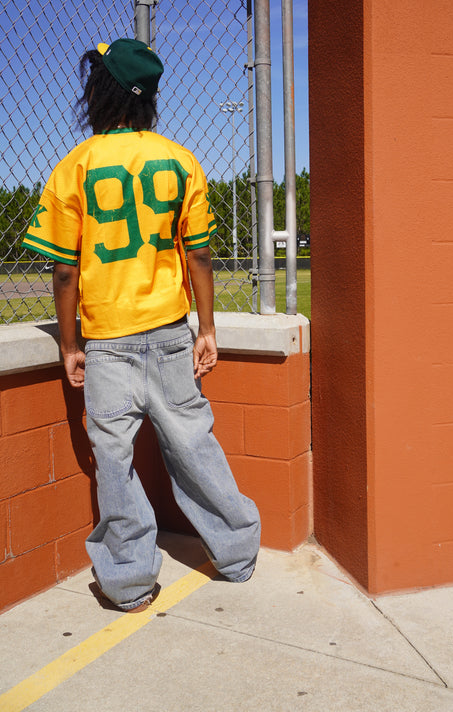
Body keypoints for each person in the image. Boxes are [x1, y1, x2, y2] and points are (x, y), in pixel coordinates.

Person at [23, 38, 261, 612]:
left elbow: (64, 270)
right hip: (172, 331)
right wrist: (207, 328)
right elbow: (199, 256)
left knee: (113, 459)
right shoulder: (181, 159)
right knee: (194, 444)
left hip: (107, 342)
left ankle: (128, 582)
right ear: (150, 97)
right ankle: (236, 553)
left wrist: (70, 344)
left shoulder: (73, 166)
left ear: (99, 93)